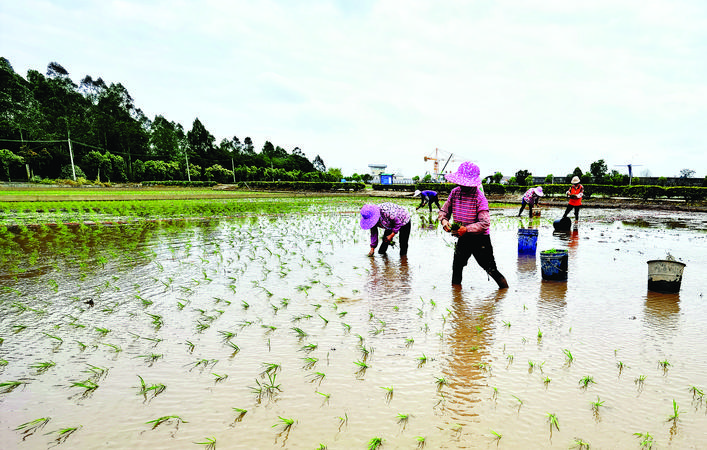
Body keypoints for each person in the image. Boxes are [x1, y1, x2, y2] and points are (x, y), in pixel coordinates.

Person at [438, 161, 508, 289]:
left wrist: (467, 229)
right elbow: (444, 211)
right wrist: (444, 221)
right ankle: (456, 301)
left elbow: (485, 223)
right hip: (462, 238)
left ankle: (504, 292)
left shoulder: (479, 197)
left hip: (480, 239)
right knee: (457, 268)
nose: (463, 185)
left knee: (491, 269)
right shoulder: (454, 193)